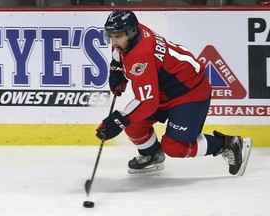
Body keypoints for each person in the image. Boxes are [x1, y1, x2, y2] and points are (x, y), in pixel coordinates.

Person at [96, 10, 252, 175]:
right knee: (134, 125)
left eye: (118, 36)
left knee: (174, 147)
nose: (114, 41)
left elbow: (148, 103)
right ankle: (152, 155)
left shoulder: (141, 55)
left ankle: (227, 144)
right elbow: (120, 51)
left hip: (189, 93)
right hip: (165, 90)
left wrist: (118, 121)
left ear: (132, 31)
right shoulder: (136, 32)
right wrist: (117, 67)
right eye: (110, 36)